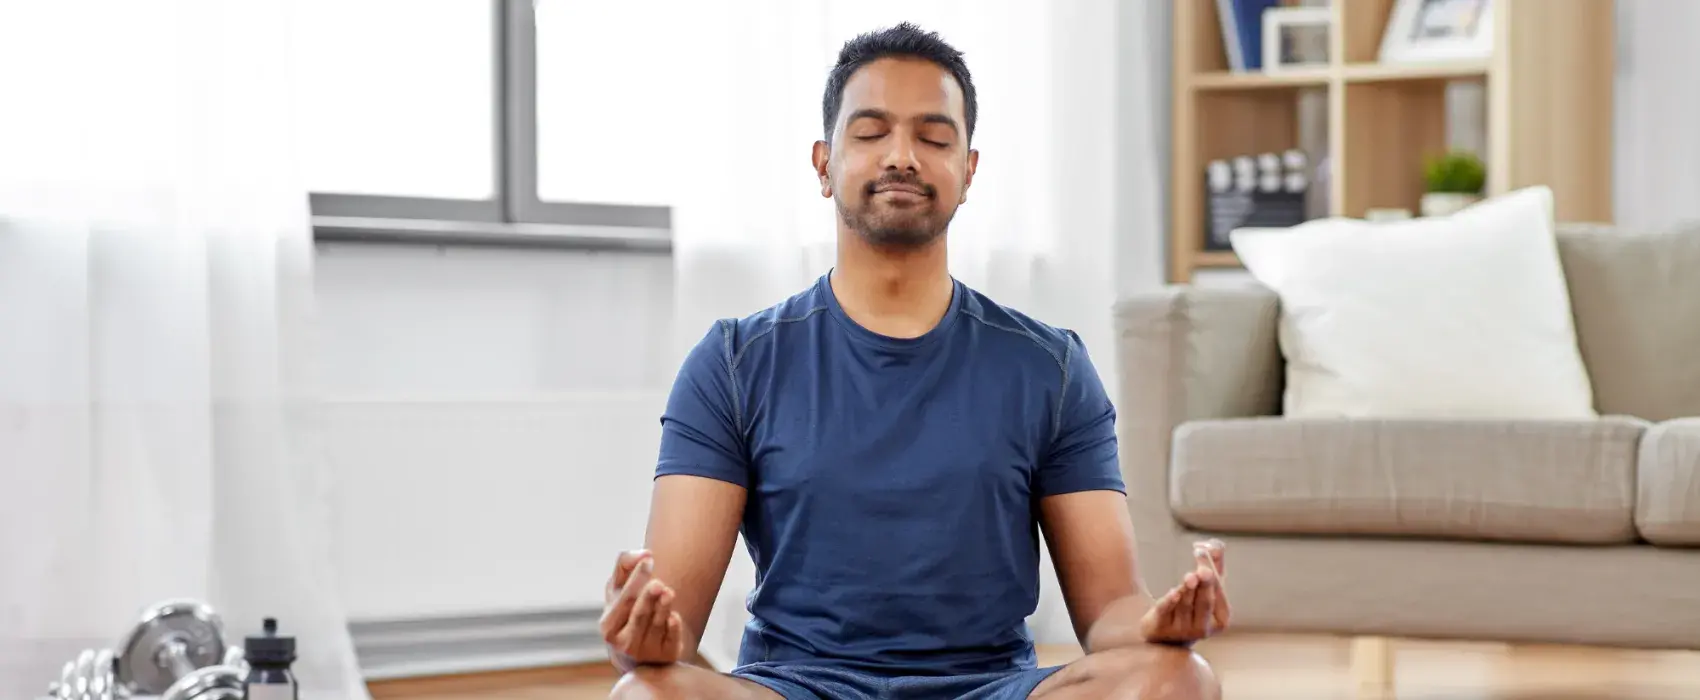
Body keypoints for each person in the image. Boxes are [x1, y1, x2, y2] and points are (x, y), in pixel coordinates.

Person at [600, 22, 1229, 700]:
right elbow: (677, 626)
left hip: (989, 688)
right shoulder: (732, 362)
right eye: (870, 133)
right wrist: (646, 642)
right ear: (823, 163)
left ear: (968, 170)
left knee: (1178, 679)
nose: (902, 156)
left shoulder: (1051, 367)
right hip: (797, 688)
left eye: (933, 138)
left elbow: (1109, 608)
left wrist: (1158, 628)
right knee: (645, 695)